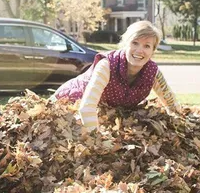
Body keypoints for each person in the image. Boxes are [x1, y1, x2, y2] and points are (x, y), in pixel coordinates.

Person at [53, 20, 181, 131]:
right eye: (135, 43)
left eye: (147, 46)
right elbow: (87, 107)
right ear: (125, 44)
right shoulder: (107, 65)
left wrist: (180, 122)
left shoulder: (152, 73)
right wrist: (96, 140)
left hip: (100, 112)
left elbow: (170, 101)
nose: (139, 50)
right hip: (68, 105)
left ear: (153, 51)